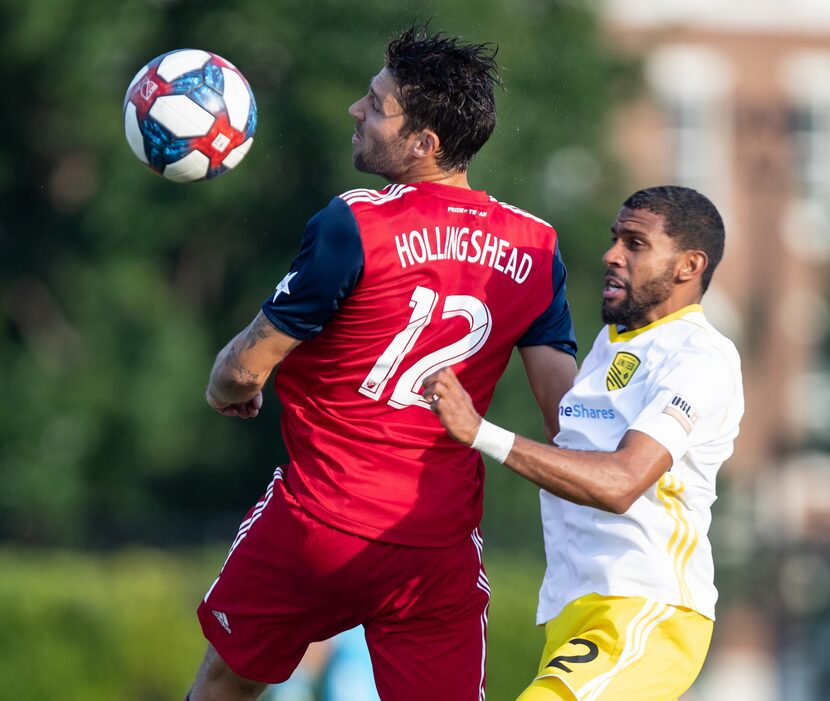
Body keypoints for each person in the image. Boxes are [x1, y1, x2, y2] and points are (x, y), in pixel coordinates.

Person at [185, 26, 579, 701]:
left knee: (227, 682)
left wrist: (226, 384)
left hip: (319, 524)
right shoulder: (537, 246)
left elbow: (245, 370)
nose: (356, 111)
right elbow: (567, 420)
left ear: (425, 143)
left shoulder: (354, 222)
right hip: (435, 549)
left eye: (377, 103)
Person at [423, 185, 745, 701]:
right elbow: (567, 446)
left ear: (689, 265)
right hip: (575, 610)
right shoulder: (610, 345)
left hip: (647, 610)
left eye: (635, 244)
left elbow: (620, 482)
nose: (611, 254)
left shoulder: (700, 358)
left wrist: (479, 430)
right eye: (615, 237)